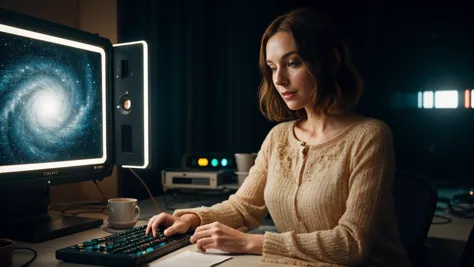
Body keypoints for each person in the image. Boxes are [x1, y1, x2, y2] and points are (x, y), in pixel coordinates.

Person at [146, 7, 412, 267]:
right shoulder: (279, 137)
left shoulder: (370, 136)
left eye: (292, 63)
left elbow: (351, 244)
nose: (279, 79)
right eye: (272, 68)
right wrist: (192, 218)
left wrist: (250, 242)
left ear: (330, 61)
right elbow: (243, 208)